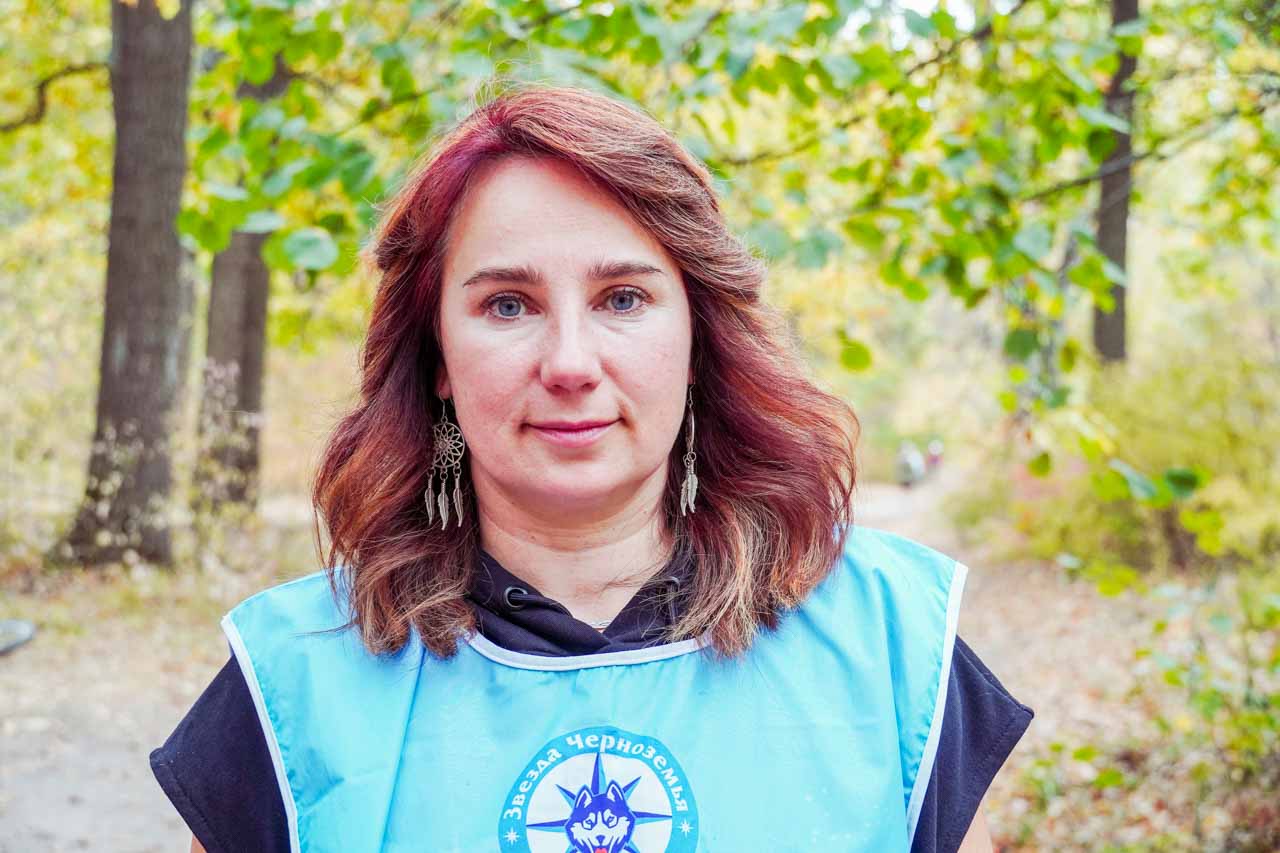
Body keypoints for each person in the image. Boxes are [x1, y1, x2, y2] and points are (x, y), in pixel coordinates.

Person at [151, 83, 1033, 852]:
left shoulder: (894, 646)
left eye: (623, 298)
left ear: (696, 337)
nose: (570, 362)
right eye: (508, 304)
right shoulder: (293, 685)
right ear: (437, 357)